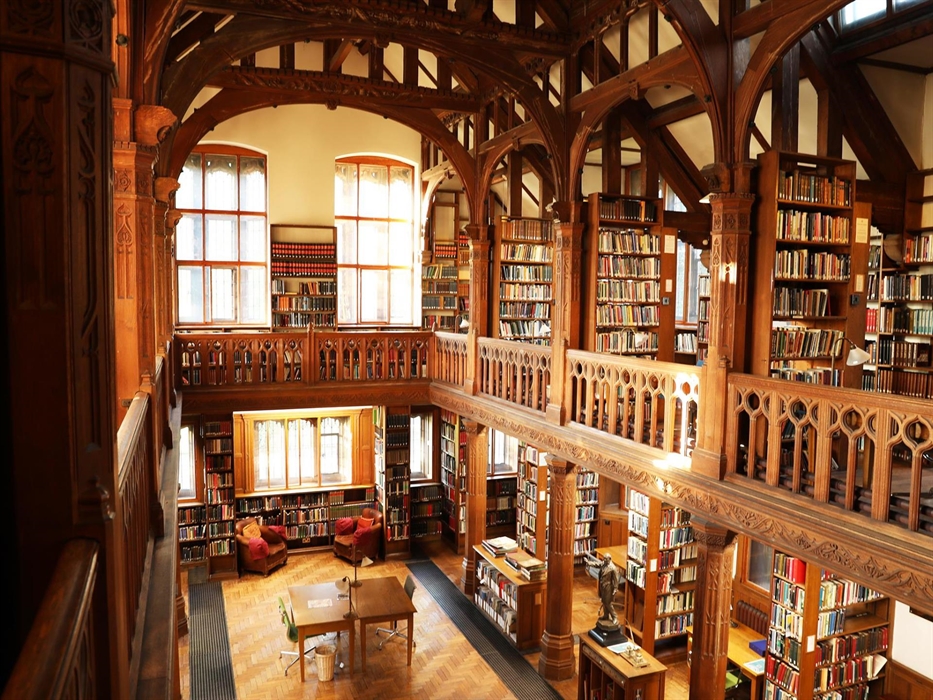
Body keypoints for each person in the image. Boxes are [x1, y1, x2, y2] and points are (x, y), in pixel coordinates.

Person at [597, 553, 621, 628]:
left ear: (609, 559)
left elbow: (616, 580)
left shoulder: (613, 568)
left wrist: (615, 589)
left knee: (608, 603)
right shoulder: (604, 564)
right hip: (602, 586)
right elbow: (597, 564)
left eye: (605, 559)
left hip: (608, 587)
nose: (603, 560)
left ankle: (615, 617)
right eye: (603, 558)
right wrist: (589, 562)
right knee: (604, 602)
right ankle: (606, 615)